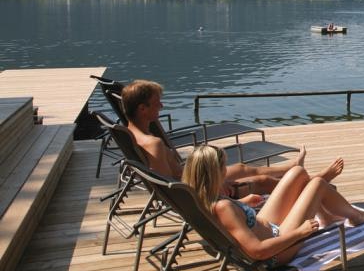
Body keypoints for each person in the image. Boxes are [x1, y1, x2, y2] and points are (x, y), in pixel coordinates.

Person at [122, 79, 340, 195]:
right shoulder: (154, 144)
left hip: (195, 176)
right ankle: (316, 182)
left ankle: (292, 167)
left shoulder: (131, 132)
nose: (161, 105)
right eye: (157, 102)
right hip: (199, 188)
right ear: (142, 109)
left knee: (244, 168)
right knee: (262, 182)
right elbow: (171, 189)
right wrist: (218, 186)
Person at [183, 144, 364, 265]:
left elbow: (227, 220)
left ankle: (326, 215)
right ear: (214, 173)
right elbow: (258, 251)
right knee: (317, 184)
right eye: (223, 167)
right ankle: (355, 216)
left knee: (297, 173)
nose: (226, 170)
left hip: (264, 226)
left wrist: (242, 204)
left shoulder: (200, 199)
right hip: (278, 249)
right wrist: (301, 232)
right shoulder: (223, 208)